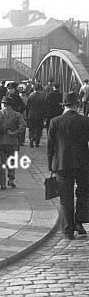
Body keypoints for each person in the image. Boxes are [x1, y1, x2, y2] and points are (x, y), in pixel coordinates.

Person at [47, 92, 89, 240]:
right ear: (77, 105)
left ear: (64, 106)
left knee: (66, 197)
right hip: (83, 164)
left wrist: (50, 164)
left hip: (61, 164)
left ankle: (67, 230)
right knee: (84, 194)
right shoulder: (85, 121)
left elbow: (50, 146)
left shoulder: (55, 121)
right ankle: (79, 221)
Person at [0, 97, 26, 190]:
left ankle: (2, 183)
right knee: (12, 161)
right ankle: (11, 179)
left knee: (0, 163)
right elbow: (23, 125)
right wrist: (15, 133)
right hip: (12, 141)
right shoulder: (17, 114)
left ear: (3, 104)